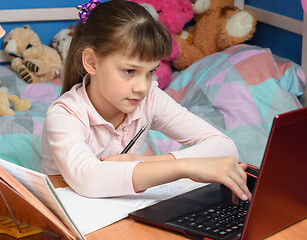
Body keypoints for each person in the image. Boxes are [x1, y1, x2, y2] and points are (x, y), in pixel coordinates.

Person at [41, 0, 251, 204]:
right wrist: (186, 167)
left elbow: (225, 147)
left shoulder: (149, 98)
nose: (142, 87)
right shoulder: (65, 114)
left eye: (150, 71)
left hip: (121, 212)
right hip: (72, 216)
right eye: (129, 71)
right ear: (92, 62)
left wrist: (151, 162)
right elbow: (88, 179)